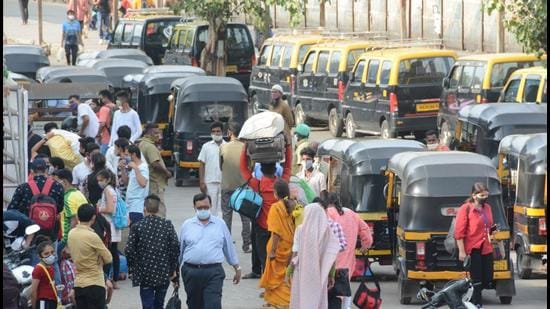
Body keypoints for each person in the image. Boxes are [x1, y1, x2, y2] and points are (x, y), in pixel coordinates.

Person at [240, 138, 292, 279]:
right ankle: (275, 282)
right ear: (276, 169)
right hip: (280, 228)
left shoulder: (257, 184)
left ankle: (268, 283)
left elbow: (243, 168)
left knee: (265, 257)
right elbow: (288, 167)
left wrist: (245, 147)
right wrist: (288, 146)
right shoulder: (282, 184)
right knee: (277, 257)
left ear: (261, 170)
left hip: (262, 227)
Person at [179, 193, 242, 308]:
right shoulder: (187, 225)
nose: (203, 210)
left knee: (213, 304)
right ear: (194, 207)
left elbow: (228, 247)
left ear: (211, 206)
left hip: (214, 272)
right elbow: (180, 250)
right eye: (199, 208)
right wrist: (174, 271)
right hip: (191, 272)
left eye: (206, 207)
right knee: (194, 305)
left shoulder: (220, 224)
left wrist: (237, 268)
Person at [125, 195, 180, 309]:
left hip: (145, 273)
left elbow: (129, 249)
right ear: (158, 209)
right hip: (163, 272)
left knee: (147, 304)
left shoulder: (137, 227)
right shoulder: (167, 225)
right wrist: (173, 268)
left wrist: (132, 267)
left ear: (144, 208)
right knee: (159, 304)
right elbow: (175, 247)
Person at [323, 193, 373, 309]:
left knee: (330, 291)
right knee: (345, 288)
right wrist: (365, 246)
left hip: (330, 260)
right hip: (348, 259)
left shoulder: (327, 213)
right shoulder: (352, 214)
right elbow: (366, 230)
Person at [289, 203, 340, 309]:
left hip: (302, 272)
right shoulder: (327, 232)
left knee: (301, 298)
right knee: (318, 298)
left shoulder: (300, 230)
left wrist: (290, 268)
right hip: (320, 272)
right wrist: (331, 274)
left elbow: (295, 251)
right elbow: (331, 254)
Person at [455, 182, 497, 309]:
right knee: (476, 279)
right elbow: (459, 232)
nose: (485, 197)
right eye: (482, 195)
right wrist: (462, 251)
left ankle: (469, 298)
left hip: (486, 248)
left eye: (486, 194)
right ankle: (476, 303)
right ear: (474, 195)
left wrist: (493, 231)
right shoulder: (466, 208)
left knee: (488, 278)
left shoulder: (487, 208)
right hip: (473, 249)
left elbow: (488, 226)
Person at [259, 180, 297, 308]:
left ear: (275, 193)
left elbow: (276, 232)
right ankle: (274, 300)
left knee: (276, 277)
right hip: (288, 246)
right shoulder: (290, 206)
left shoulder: (276, 207)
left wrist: (273, 251)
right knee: (283, 274)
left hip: (278, 247)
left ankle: (284, 301)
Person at [67, 204, 113, 309]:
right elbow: (108, 258)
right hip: (95, 282)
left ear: (78, 217)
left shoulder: (71, 234)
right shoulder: (92, 236)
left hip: (79, 282)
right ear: (93, 218)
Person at [219, 121, 252, 253]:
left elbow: (221, 166)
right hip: (243, 187)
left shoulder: (223, 147)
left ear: (229, 133)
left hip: (227, 186)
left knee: (227, 217)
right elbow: (251, 166)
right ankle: (246, 245)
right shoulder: (246, 147)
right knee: (245, 217)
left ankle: (226, 246)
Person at [139, 124, 172, 218]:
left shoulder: (142, 144)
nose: (158, 135)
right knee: (159, 208)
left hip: (150, 181)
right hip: (155, 182)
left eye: (159, 133)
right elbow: (155, 164)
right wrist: (166, 172)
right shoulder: (150, 147)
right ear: (148, 133)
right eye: (155, 133)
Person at [96, 169, 122, 290]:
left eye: (101, 180)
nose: (99, 183)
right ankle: (114, 279)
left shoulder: (107, 190)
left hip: (109, 225)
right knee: (114, 252)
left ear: (107, 180)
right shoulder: (114, 190)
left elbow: (111, 209)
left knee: (107, 252)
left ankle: (106, 278)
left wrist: (99, 209)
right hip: (114, 225)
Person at [52, 169, 87, 255]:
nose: (55, 185)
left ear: (64, 181)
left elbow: (74, 220)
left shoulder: (68, 198)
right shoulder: (79, 193)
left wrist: (68, 244)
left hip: (68, 238)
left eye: (57, 182)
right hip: (82, 234)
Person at [198, 121, 226, 217]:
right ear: (211, 133)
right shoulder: (206, 146)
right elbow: (202, 164)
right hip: (210, 181)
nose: (216, 133)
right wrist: (202, 181)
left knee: (223, 208)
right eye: (214, 131)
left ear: (222, 132)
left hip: (224, 182)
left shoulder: (227, 146)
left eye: (218, 131)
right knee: (211, 207)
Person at [124, 145, 149, 225]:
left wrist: (136, 169)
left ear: (133, 155)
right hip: (130, 205)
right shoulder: (134, 167)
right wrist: (122, 169)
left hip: (137, 206)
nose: (125, 157)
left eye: (127, 155)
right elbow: (127, 183)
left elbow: (143, 183)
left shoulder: (143, 167)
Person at [31, 239, 58, 309]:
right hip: (44, 302)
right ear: (39, 256)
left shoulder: (50, 266)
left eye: (52, 252)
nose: (50, 255)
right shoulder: (38, 269)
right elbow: (33, 291)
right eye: (46, 253)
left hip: (52, 301)